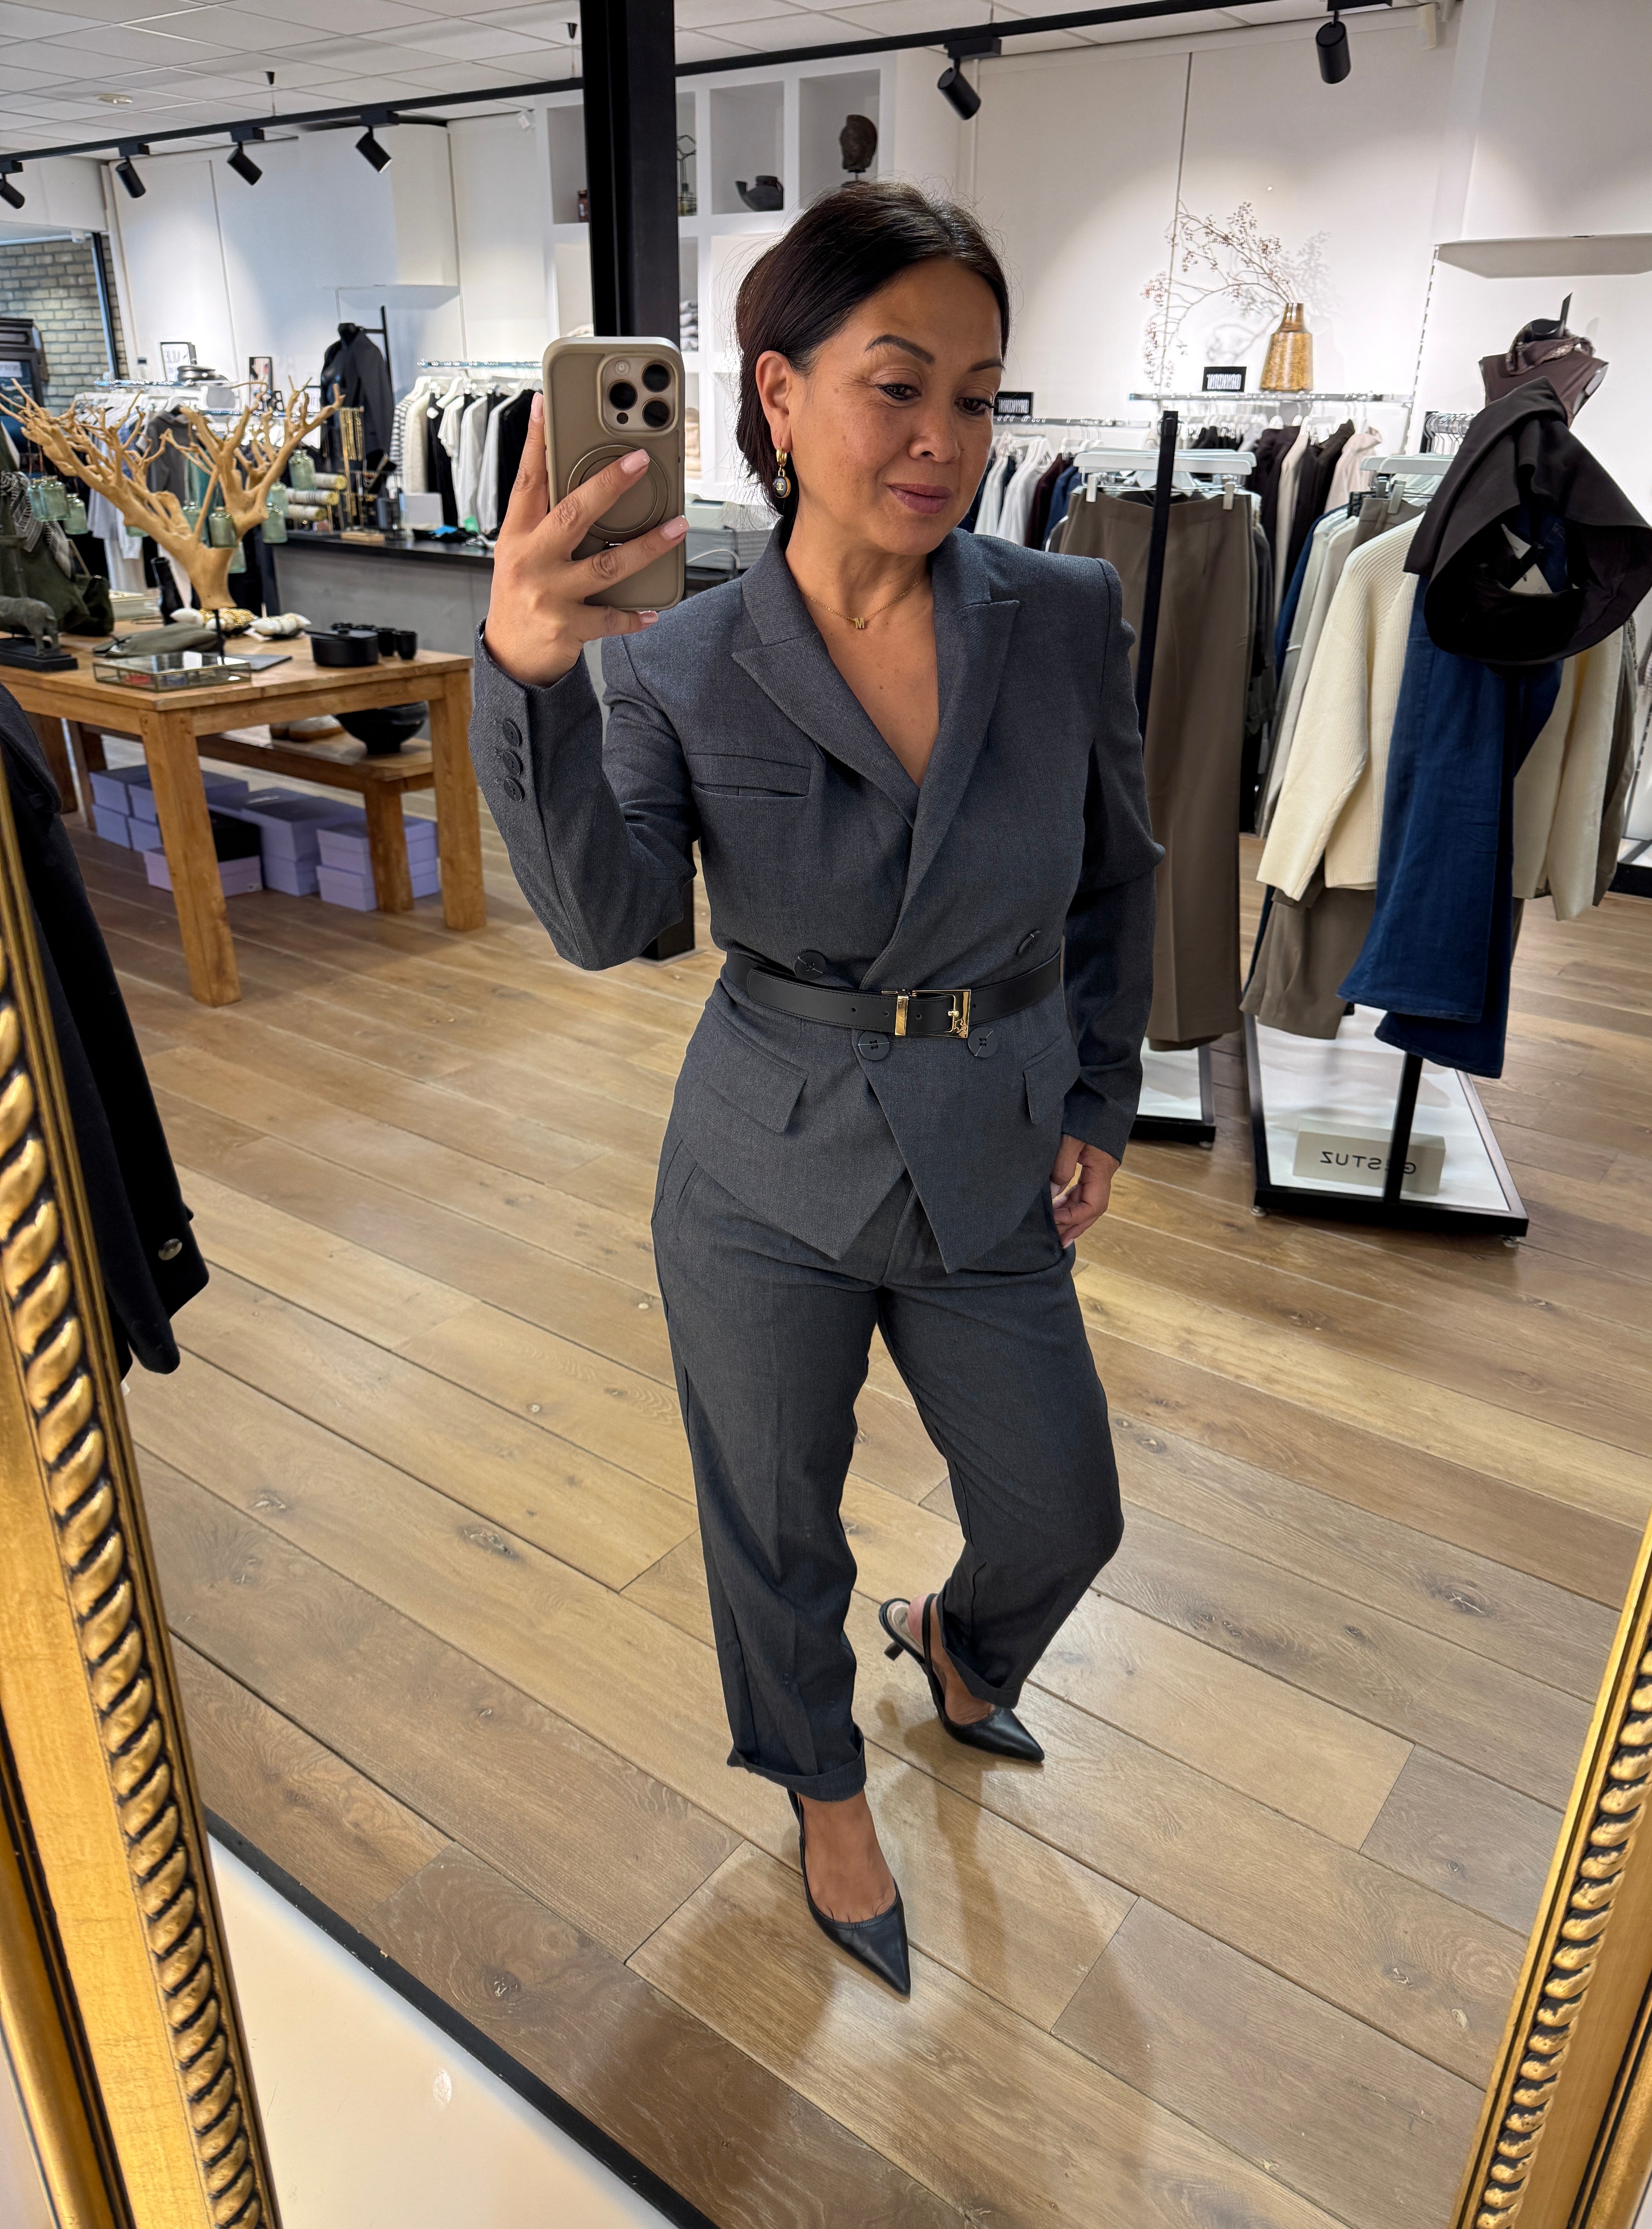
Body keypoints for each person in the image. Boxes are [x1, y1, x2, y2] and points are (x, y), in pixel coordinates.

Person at [475, 183, 1159, 1999]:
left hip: (996, 1139)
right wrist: (530, 685)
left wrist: (1101, 1093)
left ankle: (959, 1640)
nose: (946, 439)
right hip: (765, 1165)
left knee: (1065, 1510)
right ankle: (821, 1783)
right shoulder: (678, 661)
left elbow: (1121, 872)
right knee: (773, 1516)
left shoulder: (1064, 614)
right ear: (777, 398)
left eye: (981, 397)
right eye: (897, 385)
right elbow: (611, 922)